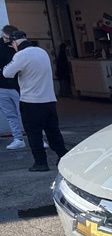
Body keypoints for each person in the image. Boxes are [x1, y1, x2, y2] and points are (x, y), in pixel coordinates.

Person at [2, 30, 68, 172]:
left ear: (15, 42)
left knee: (34, 134)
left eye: (12, 45)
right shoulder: (42, 52)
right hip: (49, 100)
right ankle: (63, 157)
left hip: (31, 102)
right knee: (53, 132)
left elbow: (7, 73)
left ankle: (41, 163)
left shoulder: (21, 55)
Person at [0, 25, 26, 151]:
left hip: (17, 85)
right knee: (10, 115)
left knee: (25, 113)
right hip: (2, 86)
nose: (5, 40)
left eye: (8, 38)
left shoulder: (18, 47)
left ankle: (37, 137)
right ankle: (18, 139)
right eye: (4, 37)